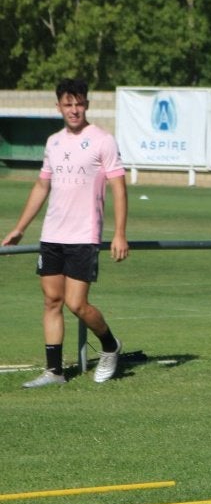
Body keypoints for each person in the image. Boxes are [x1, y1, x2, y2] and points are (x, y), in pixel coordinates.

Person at [2, 78, 127, 388]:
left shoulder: (102, 140)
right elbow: (42, 185)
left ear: (87, 104)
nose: (74, 109)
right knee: (51, 302)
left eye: (79, 103)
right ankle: (54, 372)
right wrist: (20, 228)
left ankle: (110, 346)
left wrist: (120, 233)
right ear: (58, 106)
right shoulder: (53, 142)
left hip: (84, 236)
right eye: (68, 104)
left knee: (77, 304)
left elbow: (119, 189)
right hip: (52, 235)